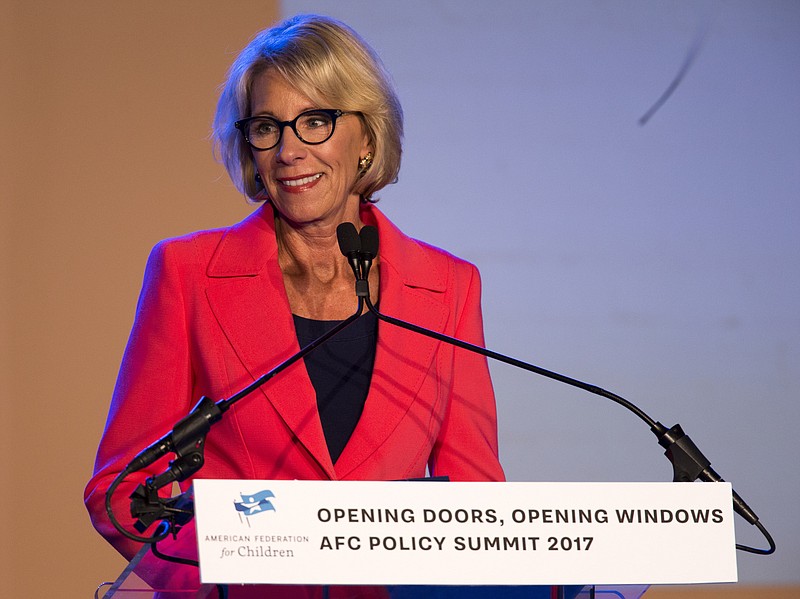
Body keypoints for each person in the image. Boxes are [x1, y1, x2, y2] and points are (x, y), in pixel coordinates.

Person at [85, 13, 504, 597]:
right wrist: (211, 586)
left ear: (367, 137)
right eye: (266, 126)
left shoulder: (448, 288)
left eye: (316, 121)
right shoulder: (188, 275)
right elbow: (122, 489)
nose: (288, 151)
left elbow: (475, 500)